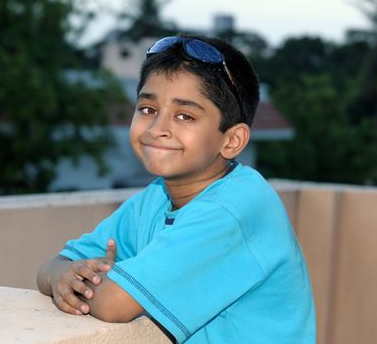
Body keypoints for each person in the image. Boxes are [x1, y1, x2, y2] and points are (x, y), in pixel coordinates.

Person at [36, 34, 315, 343]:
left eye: (185, 116)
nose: (157, 129)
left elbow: (113, 303)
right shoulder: (154, 198)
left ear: (232, 140)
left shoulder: (235, 207)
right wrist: (61, 275)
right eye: (147, 109)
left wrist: (91, 281)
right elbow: (54, 264)